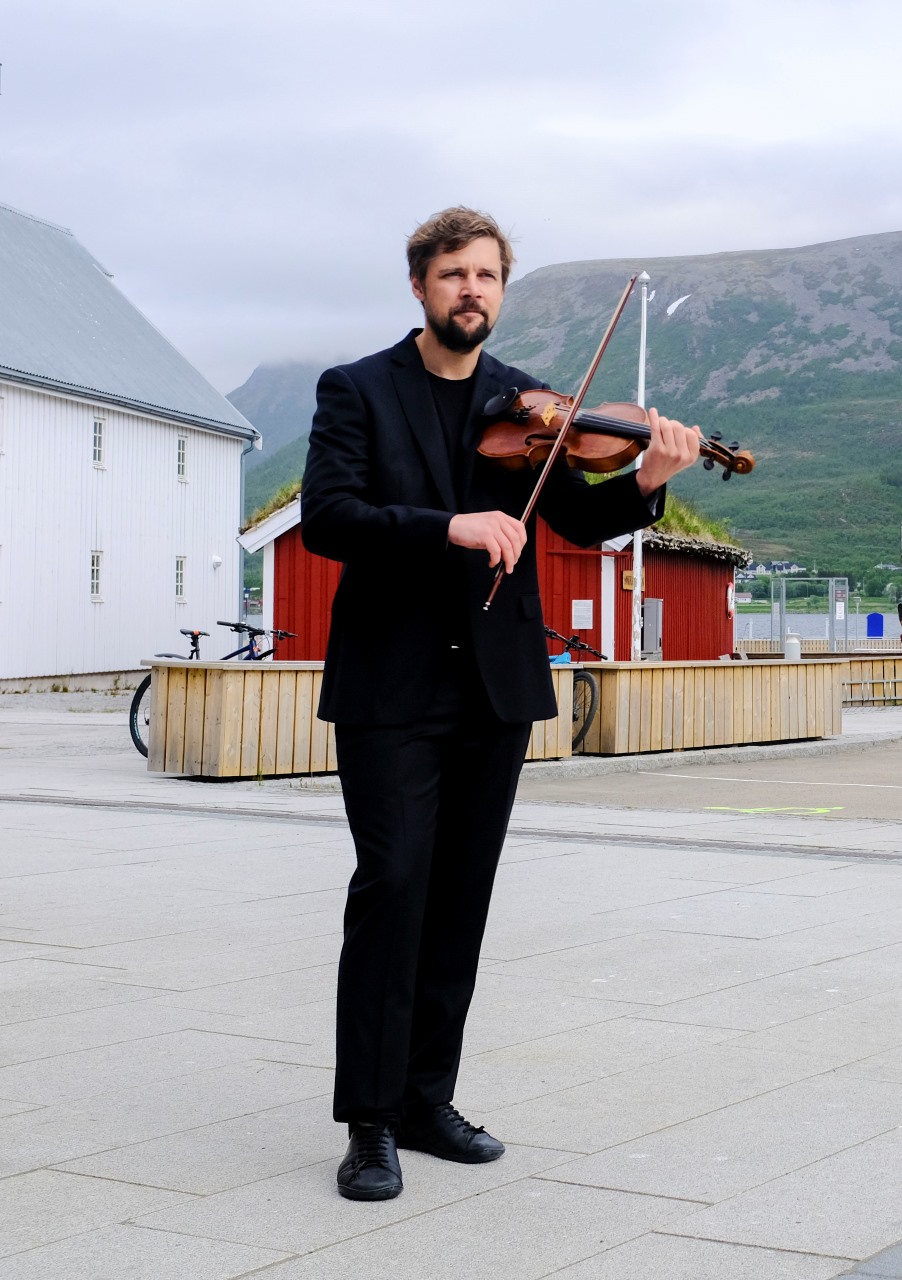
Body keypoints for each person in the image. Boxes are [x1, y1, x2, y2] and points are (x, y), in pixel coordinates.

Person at [302, 208, 701, 1201]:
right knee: (392, 888)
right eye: (453, 274)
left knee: (460, 899)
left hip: (493, 685)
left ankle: (429, 1098)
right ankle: (370, 1120)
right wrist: (450, 525)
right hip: (391, 685)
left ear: (500, 290)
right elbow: (329, 516)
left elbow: (576, 511)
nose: (470, 290)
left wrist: (648, 478)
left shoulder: (527, 404)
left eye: (486, 275)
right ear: (420, 286)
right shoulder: (356, 390)